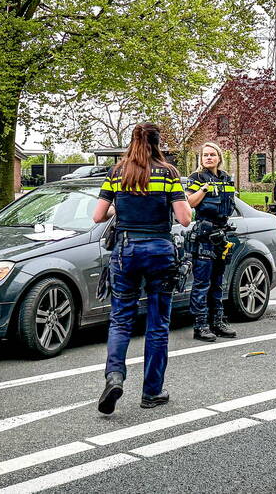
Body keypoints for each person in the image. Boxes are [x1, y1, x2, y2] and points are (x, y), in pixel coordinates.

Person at [92, 122, 191, 414]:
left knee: (121, 319)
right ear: (158, 143)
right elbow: (184, 218)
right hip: (159, 250)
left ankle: (115, 377)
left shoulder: (117, 172)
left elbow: (98, 215)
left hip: (125, 250)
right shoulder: (168, 172)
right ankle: (152, 392)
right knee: (158, 323)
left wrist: (120, 207)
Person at [185, 142, 238, 342]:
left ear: (219, 157)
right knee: (202, 283)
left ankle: (218, 322)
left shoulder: (226, 178)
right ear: (201, 159)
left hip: (221, 235)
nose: (208, 158)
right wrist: (204, 190)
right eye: (205, 155)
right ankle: (200, 325)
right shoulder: (195, 178)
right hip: (204, 237)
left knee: (217, 282)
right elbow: (189, 203)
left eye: (212, 154)